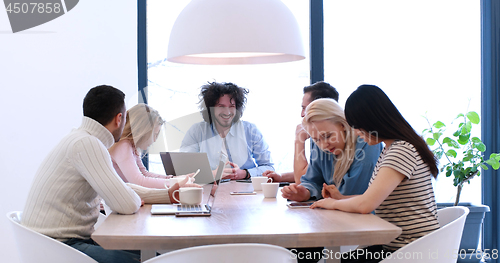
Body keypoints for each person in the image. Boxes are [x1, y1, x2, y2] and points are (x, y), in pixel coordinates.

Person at [21, 85, 171, 263]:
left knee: (151, 255)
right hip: (58, 246)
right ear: (119, 119)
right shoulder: (88, 144)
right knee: (148, 259)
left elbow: (122, 189)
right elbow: (127, 203)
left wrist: (166, 195)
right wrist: (135, 199)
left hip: (48, 242)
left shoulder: (79, 139)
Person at [311, 85, 440, 262]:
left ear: (373, 121)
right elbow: (373, 198)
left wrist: (331, 204)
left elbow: (366, 204)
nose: (356, 132)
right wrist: (340, 198)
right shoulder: (392, 148)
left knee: (336, 260)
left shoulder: (401, 151)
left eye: (357, 126)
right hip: (401, 245)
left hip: (411, 249)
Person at [281, 98, 383, 202]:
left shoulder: (367, 143)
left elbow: (349, 195)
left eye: (328, 136)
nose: (323, 145)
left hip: (367, 215)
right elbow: (312, 181)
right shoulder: (323, 144)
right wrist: (305, 192)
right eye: (316, 140)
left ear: (342, 125)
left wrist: (327, 194)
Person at [180, 81, 274, 179]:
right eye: (221, 106)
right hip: (208, 190)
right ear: (210, 108)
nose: (227, 112)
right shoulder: (196, 131)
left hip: (246, 190)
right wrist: (211, 175)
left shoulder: (251, 130)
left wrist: (245, 173)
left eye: (232, 106)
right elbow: (183, 170)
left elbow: (269, 168)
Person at [109, 103, 195, 195]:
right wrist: (176, 182)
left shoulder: (130, 145)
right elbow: (139, 182)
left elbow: (144, 173)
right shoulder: (123, 146)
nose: (154, 140)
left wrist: (174, 179)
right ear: (142, 130)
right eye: (154, 134)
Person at [263, 81, 340, 183]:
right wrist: (281, 177)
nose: (302, 114)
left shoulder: (330, 139)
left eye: (305, 108)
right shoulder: (321, 136)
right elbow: (313, 172)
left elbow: (302, 181)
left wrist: (299, 140)